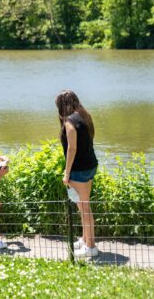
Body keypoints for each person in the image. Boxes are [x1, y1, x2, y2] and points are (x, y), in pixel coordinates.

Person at [55, 90, 99, 258]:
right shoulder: (84, 116)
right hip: (90, 165)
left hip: (79, 170)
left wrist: (66, 173)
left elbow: (72, 148)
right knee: (84, 206)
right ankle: (85, 239)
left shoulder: (69, 122)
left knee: (84, 208)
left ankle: (90, 247)